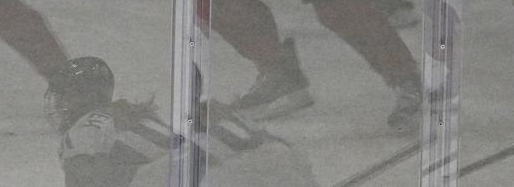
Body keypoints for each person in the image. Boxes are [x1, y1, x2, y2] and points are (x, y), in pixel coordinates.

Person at [46, 57, 320, 187]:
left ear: (86, 95)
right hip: (279, 158)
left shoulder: (85, 126)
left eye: (63, 96)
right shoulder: (136, 117)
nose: (58, 105)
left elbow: (84, 179)